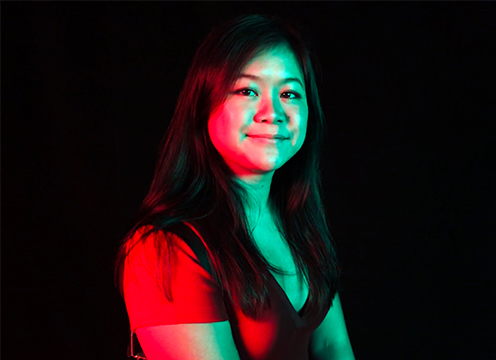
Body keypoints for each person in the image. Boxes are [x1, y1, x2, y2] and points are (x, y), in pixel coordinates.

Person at [115, 14, 356, 360]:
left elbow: (333, 347)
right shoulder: (164, 250)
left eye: (289, 93)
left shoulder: (297, 224)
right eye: (247, 90)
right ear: (204, 106)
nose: (272, 112)